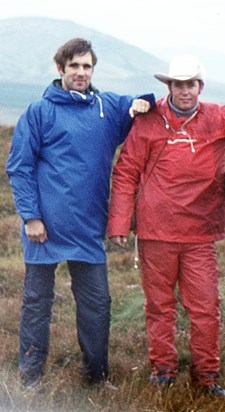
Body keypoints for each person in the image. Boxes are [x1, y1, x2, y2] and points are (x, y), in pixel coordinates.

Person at [107, 54, 225, 397]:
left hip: (199, 234)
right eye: (177, 84)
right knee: (159, 306)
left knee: (206, 306)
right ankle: (162, 371)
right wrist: (120, 222)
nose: (184, 91)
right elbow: (126, 171)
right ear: (168, 86)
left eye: (190, 84)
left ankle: (207, 377)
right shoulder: (148, 121)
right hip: (155, 232)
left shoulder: (217, 117)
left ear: (200, 86)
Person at [5, 38, 155, 388]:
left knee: (97, 305)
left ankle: (97, 377)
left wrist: (138, 104)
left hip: (87, 229)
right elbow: (19, 167)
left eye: (86, 66)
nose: (81, 72)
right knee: (37, 304)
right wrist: (30, 217)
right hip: (44, 229)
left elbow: (147, 101)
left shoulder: (106, 107)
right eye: (74, 66)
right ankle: (30, 379)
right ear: (61, 69)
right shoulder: (39, 111)